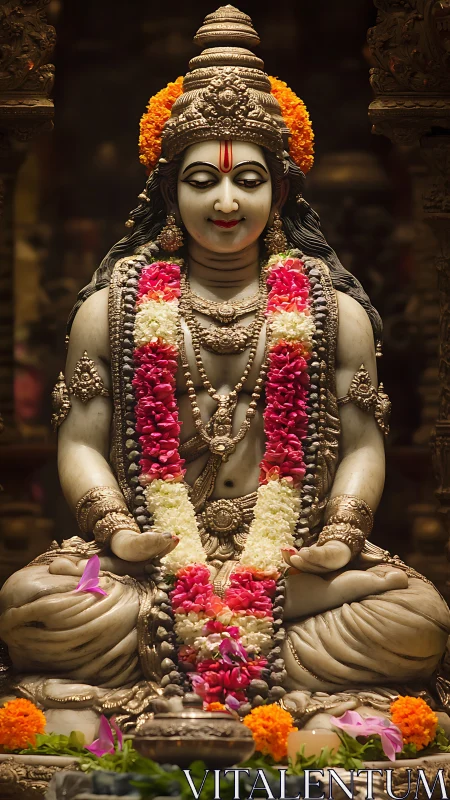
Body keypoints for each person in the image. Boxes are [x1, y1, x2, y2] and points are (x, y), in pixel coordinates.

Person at [0, 6, 448, 735]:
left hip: (294, 565)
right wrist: (119, 535)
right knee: (32, 606)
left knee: (416, 618)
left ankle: (210, 653)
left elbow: (363, 444)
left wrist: (337, 538)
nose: (227, 201)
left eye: (248, 179)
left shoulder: (336, 311)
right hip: (148, 563)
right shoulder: (110, 308)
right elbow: (82, 443)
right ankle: (241, 657)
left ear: (281, 192)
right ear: (170, 191)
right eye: (203, 180)